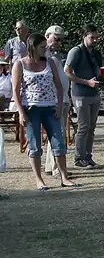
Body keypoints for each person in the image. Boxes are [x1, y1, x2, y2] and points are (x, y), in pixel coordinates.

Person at [10, 33, 79, 191]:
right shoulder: (20, 64)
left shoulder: (50, 62)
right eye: (42, 47)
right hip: (31, 109)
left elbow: (59, 86)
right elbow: (15, 90)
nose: (45, 49)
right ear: (33, 47)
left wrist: (59, 105)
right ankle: (39, 179)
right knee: (34, 145)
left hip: (50, 108)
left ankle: (64, 177)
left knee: (59, 142)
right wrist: (21, 112)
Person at [65, 23, 104, 169]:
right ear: (84, 36)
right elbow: (67, 72)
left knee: (91, 127)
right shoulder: (76, 52)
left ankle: (88, 156)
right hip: (80, 94)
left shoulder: (95, 53)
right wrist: (87, 82)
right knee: (83, 126)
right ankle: (79, 158)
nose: (95, 40)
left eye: (96, 37)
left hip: (94, 93)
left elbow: (99, 70)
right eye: (92, 37)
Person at [44, 26, 71, 174]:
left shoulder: (56, 55)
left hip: (63, 99)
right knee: (57, 133)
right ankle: (56, 169)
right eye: (56, 38)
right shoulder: (42, 55)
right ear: (47, 36)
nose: (58, 42)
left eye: (60, 40)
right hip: (54, 100)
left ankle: (50, 166)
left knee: (57, 133)